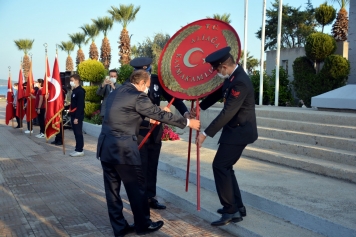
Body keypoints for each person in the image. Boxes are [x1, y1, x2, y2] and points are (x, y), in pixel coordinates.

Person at [96, 70, 200, 236]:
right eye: (147, 86)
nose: (147, 90)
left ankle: (119, 227)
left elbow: (121, 114)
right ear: (142, 83)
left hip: (105, 149)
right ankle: (143, 224)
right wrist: (188, 122)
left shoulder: (117, 92)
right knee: (137, 189)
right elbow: (159, 113)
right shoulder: (138, 96)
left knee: (112, 192)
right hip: (124, 151)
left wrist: (145, 119)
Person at [194, 47, 258, 226]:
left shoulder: (240, 82)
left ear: (223, 66)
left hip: (240, 131)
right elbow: (218, 93)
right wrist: (200, 107)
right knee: (226, 167)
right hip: (234, 130)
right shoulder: (233, 77)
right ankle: (237, 207)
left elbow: (228, 112)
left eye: (216, 69)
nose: (216, 73)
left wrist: (205, 134)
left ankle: (230, 210)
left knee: (220, 166)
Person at [130, 57, 191, 210]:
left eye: (147, 71)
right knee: (141, 168)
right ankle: (141, 200)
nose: (146, 75)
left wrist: (185, 113)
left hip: (155, 131)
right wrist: (147, 119)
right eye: (142, 72)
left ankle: (151, 197)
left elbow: (174, 99)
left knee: (152, 166)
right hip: (140, 131)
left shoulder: (157, 81)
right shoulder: (130, 85)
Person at [69, 74, 86, 157]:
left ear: (77, 80)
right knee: (76, 133)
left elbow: (80, 106)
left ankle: (80, 150)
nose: (70, 82)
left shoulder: (80, 91)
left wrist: (77, 117)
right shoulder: (74, 91)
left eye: (72, 80)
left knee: (78, 133)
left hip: (77, 116)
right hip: (73, 114)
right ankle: (77, 148)